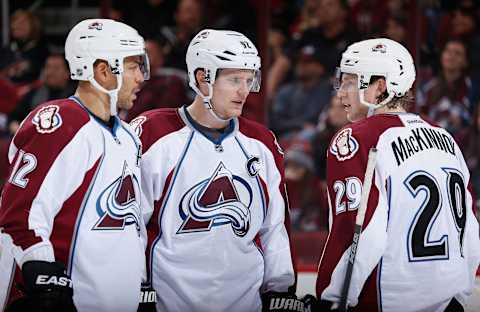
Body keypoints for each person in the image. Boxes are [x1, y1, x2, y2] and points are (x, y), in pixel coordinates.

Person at [130, 29, 302, 312]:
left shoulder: (261, 143)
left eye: (249, 80)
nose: (244, 91)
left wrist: (279, 288)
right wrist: (136, 285)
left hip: (246, 303)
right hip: (168, 302)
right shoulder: (152, 133)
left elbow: (275, 227)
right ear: (202, 78)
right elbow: (131, 223)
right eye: (234, 80)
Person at [315, 38, 480, 311]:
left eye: (349, 83)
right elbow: (470, 231)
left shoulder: (357, 139)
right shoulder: (446, 138)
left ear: (379, 87)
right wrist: (459, 296)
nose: (340, 94)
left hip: (385, 301)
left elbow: (358, 230)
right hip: (447, 302)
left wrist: (330, 300)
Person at [0, 19, 150, 312]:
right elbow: (19, 214)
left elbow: (131, 224)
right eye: (133, 66)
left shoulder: (129, 136)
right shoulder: (61, 122)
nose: (141, 77)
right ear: (103, 70)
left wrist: (140, 283)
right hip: (72, 299)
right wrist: (41, 273)